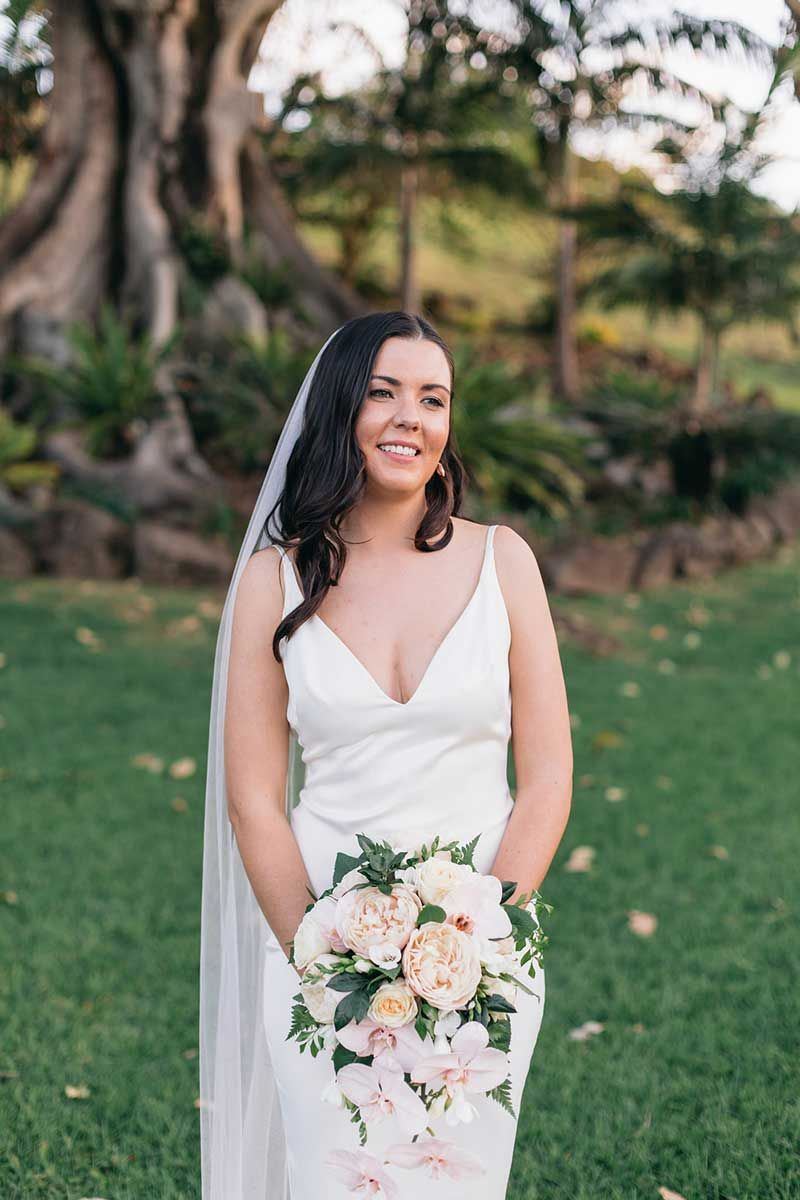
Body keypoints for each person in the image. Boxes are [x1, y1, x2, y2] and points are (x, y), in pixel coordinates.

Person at [199, 310, 573, 1199]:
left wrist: (483, 942)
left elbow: (549, 776)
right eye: (384, 392)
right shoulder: (272, 581)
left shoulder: (503, 561)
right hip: (316, 945)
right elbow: (253, 798)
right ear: (341, 411)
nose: (412, 416)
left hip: (485, 946)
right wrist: (321, 962)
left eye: (433, 399)